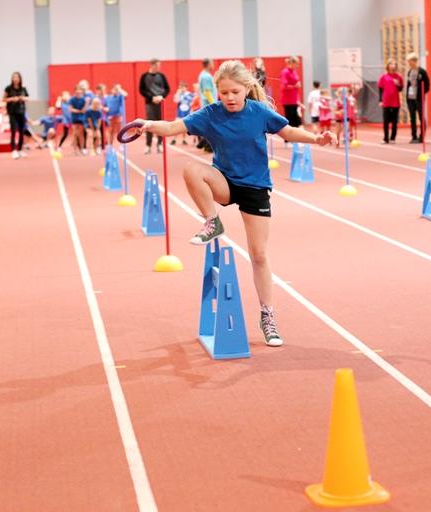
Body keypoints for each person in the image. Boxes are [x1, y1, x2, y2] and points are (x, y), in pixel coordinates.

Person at [133, 60, 336, 347]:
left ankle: (267, 316)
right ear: (217, 91)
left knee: (259, 256)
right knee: (192, 169)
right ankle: (212, 221)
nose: (229, 97)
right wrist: (148, 124)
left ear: (246, 89)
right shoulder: (210, 114)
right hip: (225, 183)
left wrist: (317, 138)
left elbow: (288, 132)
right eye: (224, 92)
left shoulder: (259, 112)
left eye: (235, 92)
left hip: (255, 187)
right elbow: (174, 126)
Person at [138, 58, 170, 154]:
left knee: (160, 124)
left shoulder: (162, 76)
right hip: (150, 103)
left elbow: (167, 89)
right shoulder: (144, 76)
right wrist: (151, 97)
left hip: (161, 103)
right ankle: (148, 145)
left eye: (159, 65)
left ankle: (160, 144)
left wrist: (161, 96)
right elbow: (141, 90)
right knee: (149, 124)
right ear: (152, 65)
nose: (158, 67)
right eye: (157, 65)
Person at [3, 71, 29, 159]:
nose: (15, 79)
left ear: (20, 79)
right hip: (12, 112)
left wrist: (22, 98)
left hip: (21, 111)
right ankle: (13, 150)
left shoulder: (23, 88)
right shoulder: (8, 88)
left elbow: (27, 98)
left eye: (17, 77)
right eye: (14, 77)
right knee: (13, 131)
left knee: (22, 131)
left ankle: (20, 149)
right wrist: (11, 99)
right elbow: (4, 99)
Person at [405, 53, 430, 143]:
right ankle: (414, 136)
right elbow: (408, 85)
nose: (409, 63)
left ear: (414, 61)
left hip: (419, 98)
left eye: (410, 61)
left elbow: (427, 85)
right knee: (412, 117)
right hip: (410, 98)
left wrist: (421, 94)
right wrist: (407, 97)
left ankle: (421, 136)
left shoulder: (422, 72)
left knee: (421, 117)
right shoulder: (409, 72)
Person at [378, 59, 404, 144]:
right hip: (386, 101)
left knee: (394, 121)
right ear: (388, 66)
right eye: (391, 64)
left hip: (395, 102)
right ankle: (386, 138)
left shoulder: (398, 77)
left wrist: (398, 84)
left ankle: (393, 137)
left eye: (394, 64)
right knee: (386, 120)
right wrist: (380, 100)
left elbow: (400, 89)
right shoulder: (384, 77)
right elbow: (380, 89)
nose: (393, 66)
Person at [197, 58, 216, 152]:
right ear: (208, 64)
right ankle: (206, 146)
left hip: (207, 104)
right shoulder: (206, 77)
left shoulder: (204, 75)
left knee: (209, 126)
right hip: (209, 105)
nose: (213, 65)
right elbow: (207, 92)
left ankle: (204, 144)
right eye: (212, 63)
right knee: (211, 127)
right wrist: (214, 105)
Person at [279, 56, 303, 128]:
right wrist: (295, 86)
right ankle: (288, 138)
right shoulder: (285, 72)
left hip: (294, 99)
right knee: (290, 120)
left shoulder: (294, 72)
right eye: (297, 64)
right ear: (292, 63)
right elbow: (284, 86)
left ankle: (295, 138)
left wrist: (298, 99)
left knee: (297, 121)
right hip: (288, 100)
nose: (298, 66)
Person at [171, 81, 193, 145]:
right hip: (180, 112)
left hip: (187, 112)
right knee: (177, 125)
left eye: (183, 87)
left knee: (184, 126)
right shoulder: (179, 94)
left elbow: (192, 103)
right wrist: (178, 93)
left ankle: (184, 139)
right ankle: (174, 139)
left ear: (186, 87)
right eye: (180, 87)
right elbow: (176, 100)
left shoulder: (189, 94)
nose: (182, 89)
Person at [68, 86, 87, 155]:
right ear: (75, 92)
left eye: (80, 93)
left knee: (81, 134)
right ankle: (75, 150)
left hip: (81, 119)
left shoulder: (83, 99)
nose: (78, 94)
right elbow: (70, 109)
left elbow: (84, 110)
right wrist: (79, 111)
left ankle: (82, 149)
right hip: (74, 119)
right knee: (75, 134)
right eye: (77, 92)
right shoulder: (72, 99)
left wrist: (84, 109)